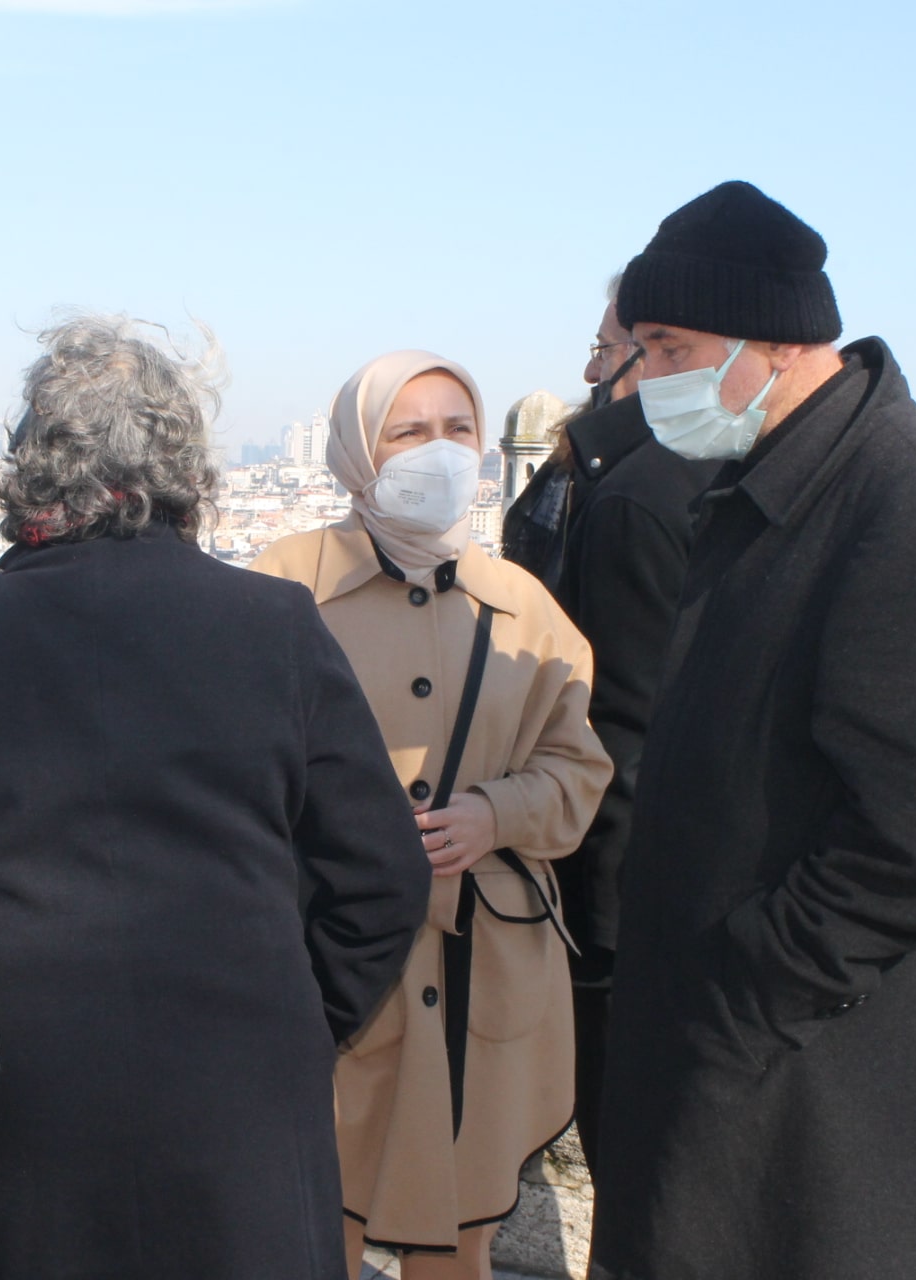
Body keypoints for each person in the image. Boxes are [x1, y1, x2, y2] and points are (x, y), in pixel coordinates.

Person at [0, 314, 431, 1280]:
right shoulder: (273, 624)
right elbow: (382, 877)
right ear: (184, 465)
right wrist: (302, 1021)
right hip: (239, 1105)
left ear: (30, 462)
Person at [587, 181, 916, 1280]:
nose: (651, 373)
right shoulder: (774, 476)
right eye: (645, 345)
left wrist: (741, 994)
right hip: (727, 1059)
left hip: (814, 1088)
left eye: (672, 346)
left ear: (776, 342)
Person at [253, 351, 612, 1280]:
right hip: (325, 960)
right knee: (309, 1220)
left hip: (481, 965)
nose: (439, 451)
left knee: (459, 1236)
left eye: (459, 430)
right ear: (356, 450)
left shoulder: (523, 606)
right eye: (408, 432)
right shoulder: (282, 588)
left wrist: (497, 813)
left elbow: (579, 766)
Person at [499, 282, 716, 1180]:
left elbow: (618, 719)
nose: (591, 371)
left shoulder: (632, 494)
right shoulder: (630, 477)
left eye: (609, 348)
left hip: (612, 894)